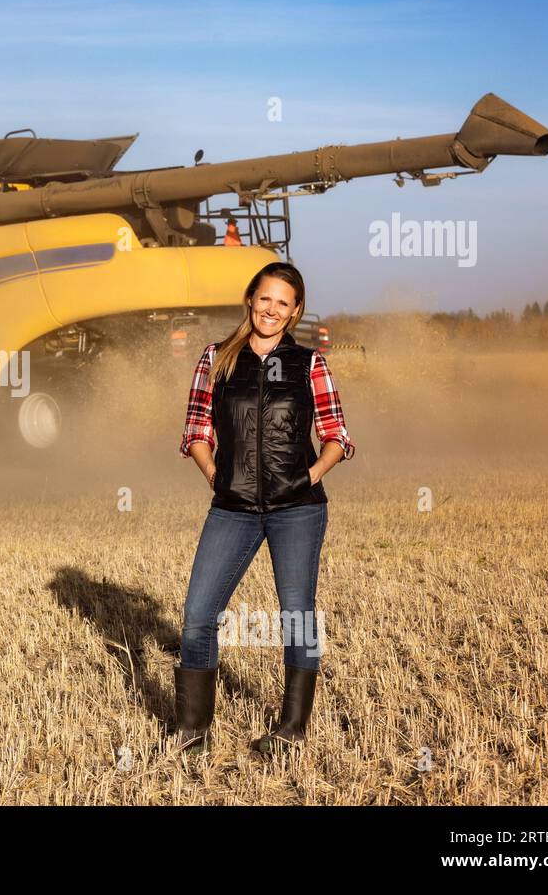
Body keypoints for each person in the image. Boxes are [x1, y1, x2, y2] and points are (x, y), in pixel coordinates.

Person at [175, 261, 354, 755]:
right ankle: (192, 734)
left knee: (296, 615)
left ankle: (291, 730)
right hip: (231, 508)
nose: (271, 309)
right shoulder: (216, 359)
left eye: (283, 302)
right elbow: (196, 430)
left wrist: (308, 476)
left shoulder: (309, 364)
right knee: (197, 616)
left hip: (297, 509)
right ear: (250, 299)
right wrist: (215, 474)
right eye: (264, 298)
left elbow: (337, 436)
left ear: (295, 311)